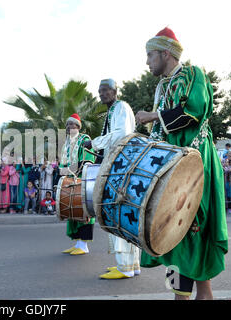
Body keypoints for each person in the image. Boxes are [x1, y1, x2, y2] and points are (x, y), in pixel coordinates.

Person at [135, 27, 228, 299]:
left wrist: (154, 116)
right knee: (170, 233)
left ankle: (200, 294)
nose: (147, 61)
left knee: (192, 224)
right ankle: (186, 295)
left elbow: (193, 112)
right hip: (172, 164)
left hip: (195, 162)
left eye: (151, 55)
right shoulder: (162, 86)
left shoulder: (193, 74)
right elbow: (159, 133)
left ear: (166, 53)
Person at [82, 79, 140, 278]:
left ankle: (125, 267)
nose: (102, 94)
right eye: (100, 91)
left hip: (120, 167)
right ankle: (132, 265)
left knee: (118, 214)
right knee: (125, 214)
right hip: (120, 166)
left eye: (106, 90)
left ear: (115, 91)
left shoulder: (121, 107)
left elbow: (120, 134)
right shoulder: (113, 110)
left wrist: (95, 143)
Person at [60, 113, 96, 256]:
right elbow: (63, 162)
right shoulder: (67, 143)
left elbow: (87, 160)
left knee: (84, 211)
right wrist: (62, 171)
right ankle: (77, 243)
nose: (70, 127)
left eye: (73, 124)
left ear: (78, 126)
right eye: (68, 125)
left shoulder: (84, 139)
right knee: (72, 211)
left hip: (82, 179)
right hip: (70, 180)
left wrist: (72, 170)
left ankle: (84, 245)